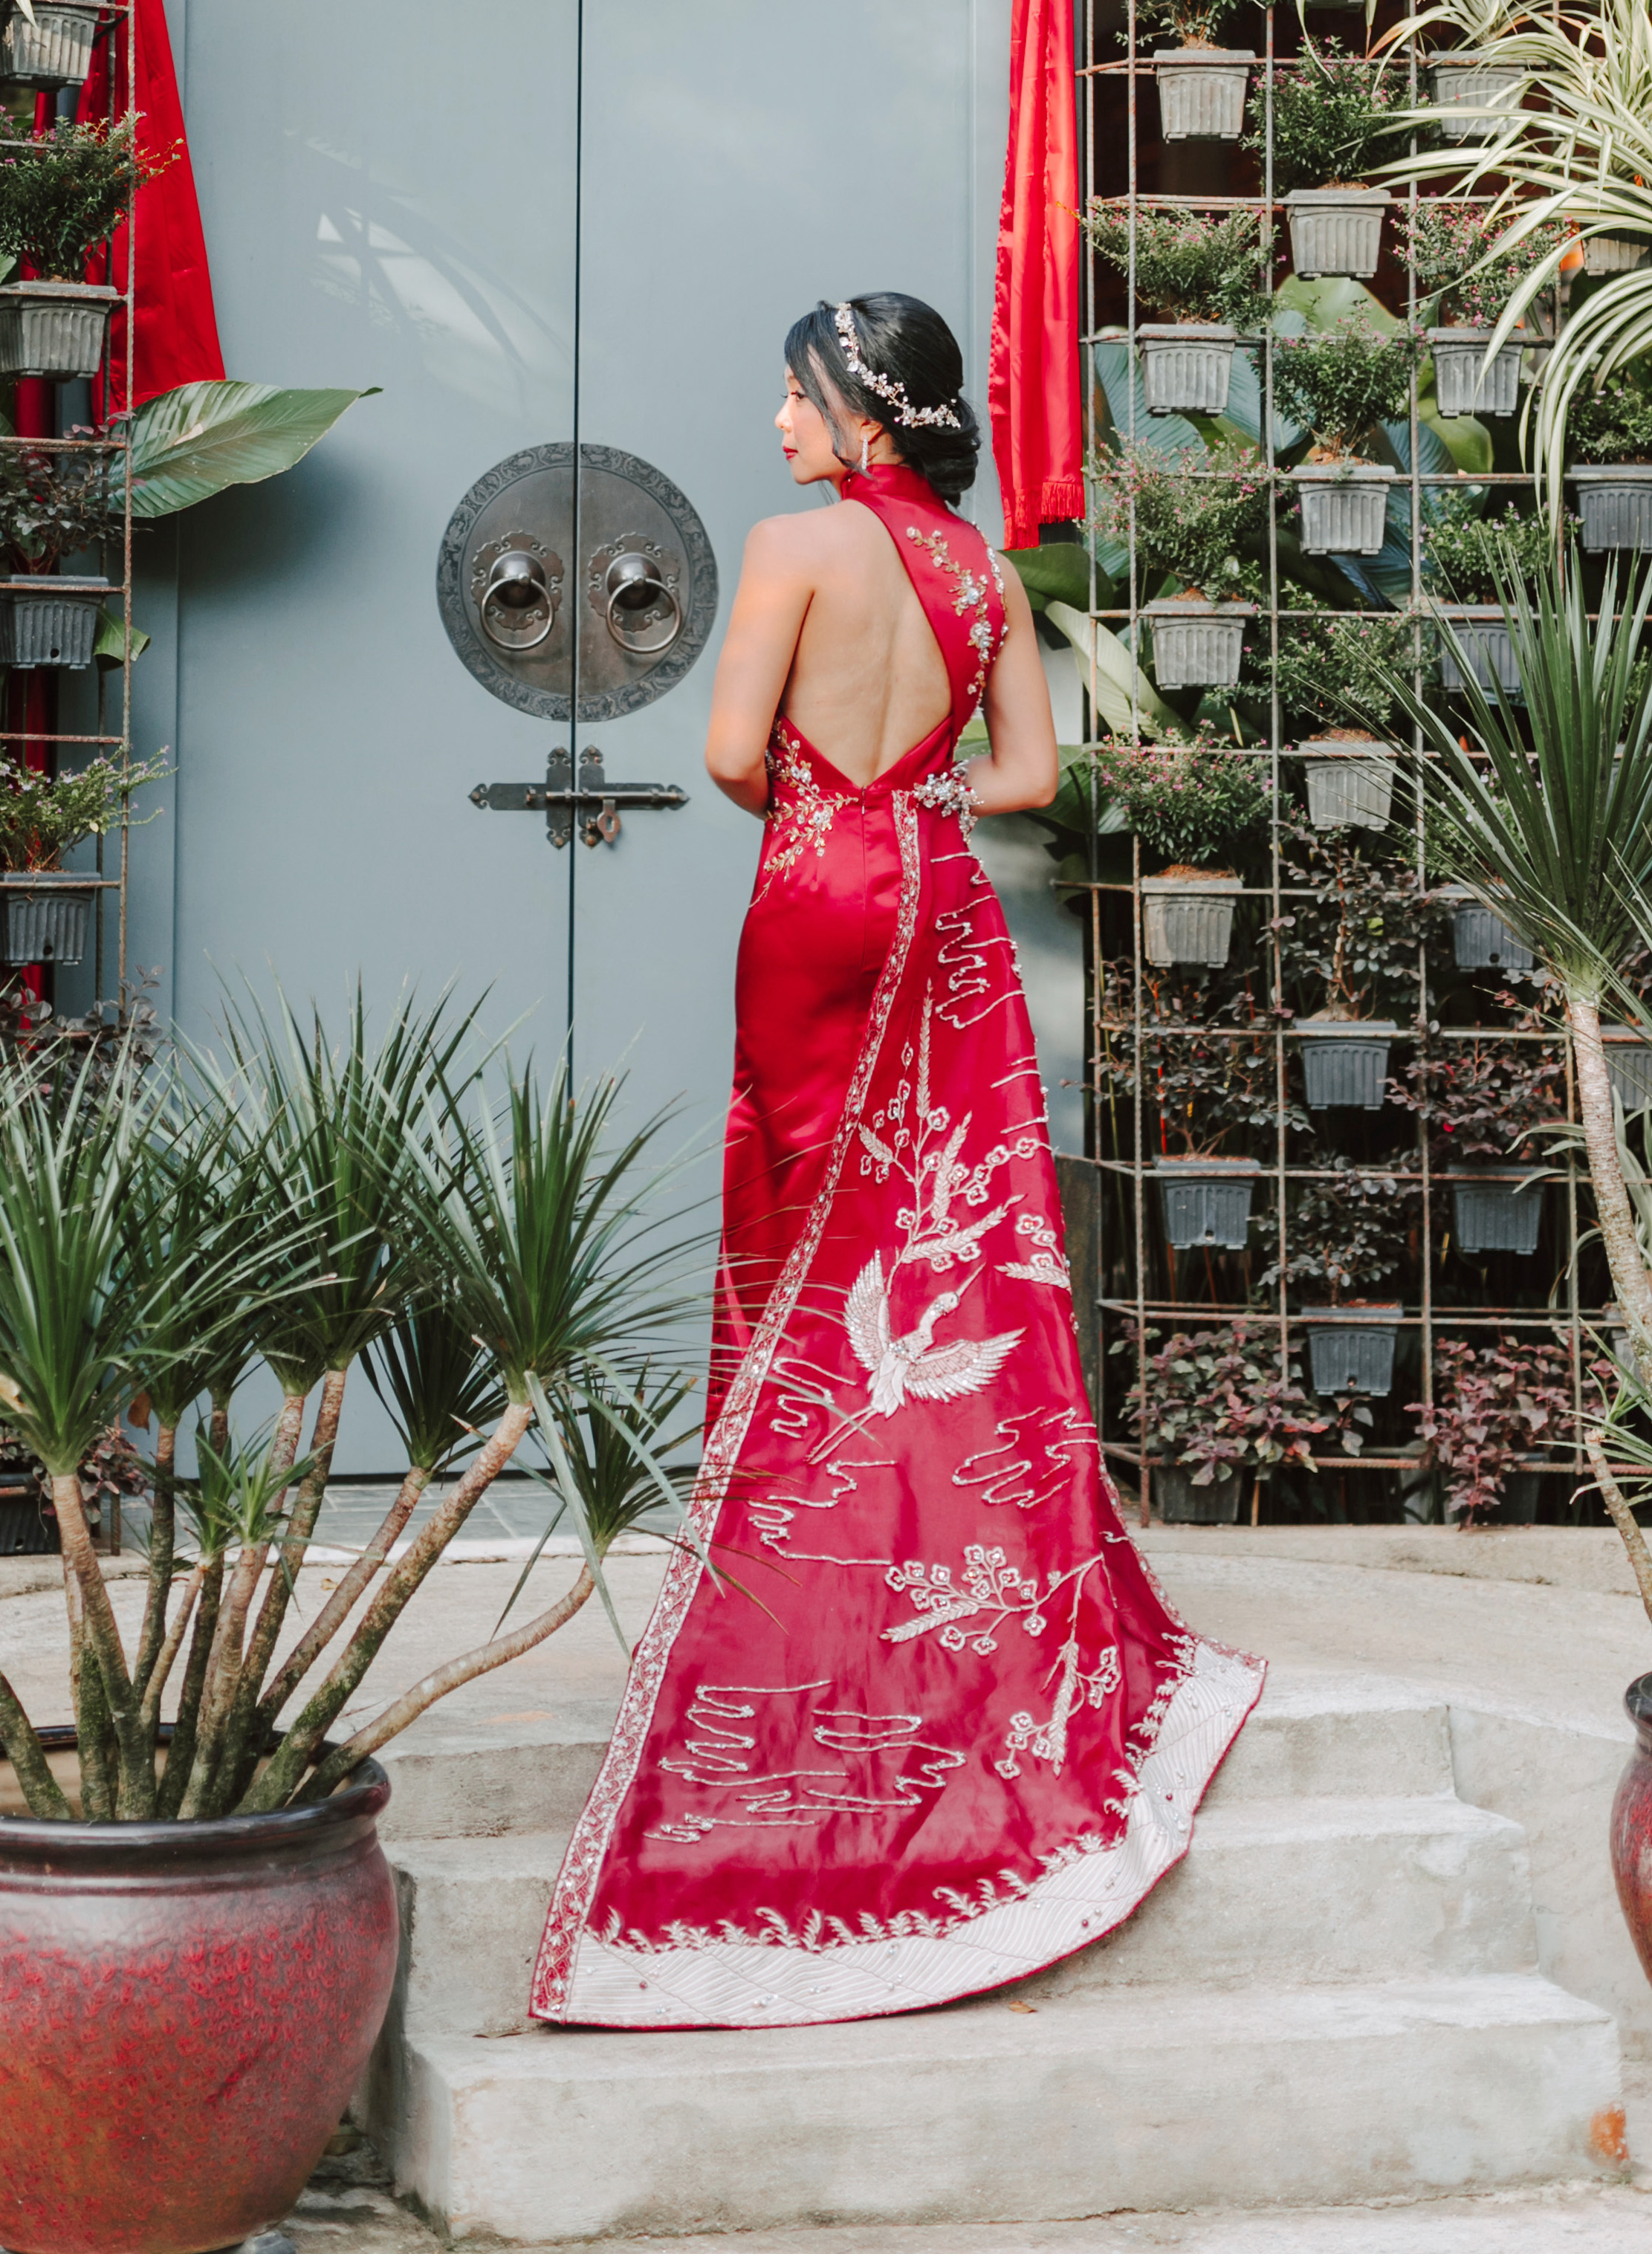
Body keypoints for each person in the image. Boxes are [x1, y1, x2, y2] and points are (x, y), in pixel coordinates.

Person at [530, 293, 1263, 2031]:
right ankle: (940, 1549)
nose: (778, 421)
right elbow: (1029, 772)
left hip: (812, 890)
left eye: (795, 395)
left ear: (860, 410)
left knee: (797, 1221)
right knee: (936, 1236)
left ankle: (794, 1565)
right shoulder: (985, 571)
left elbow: (728, 755)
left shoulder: (789, 548)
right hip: (934, 900)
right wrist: (922, 805)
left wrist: (820, 806)